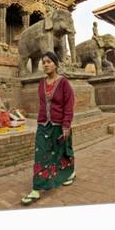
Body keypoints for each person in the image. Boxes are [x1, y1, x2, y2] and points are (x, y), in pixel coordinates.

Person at [21, 51, 75, 205]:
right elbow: (43, 105)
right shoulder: (41, 83)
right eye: (43, 62)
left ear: (56, 64)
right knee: (41, 154)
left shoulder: (64, 82)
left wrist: (66, 126)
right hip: (44, 125)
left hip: (60, 125)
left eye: (49, 61)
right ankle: (36, 189)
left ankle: (70, 172)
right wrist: (41, 120)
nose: (45, 64)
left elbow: (69, 105)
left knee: (63, 151)